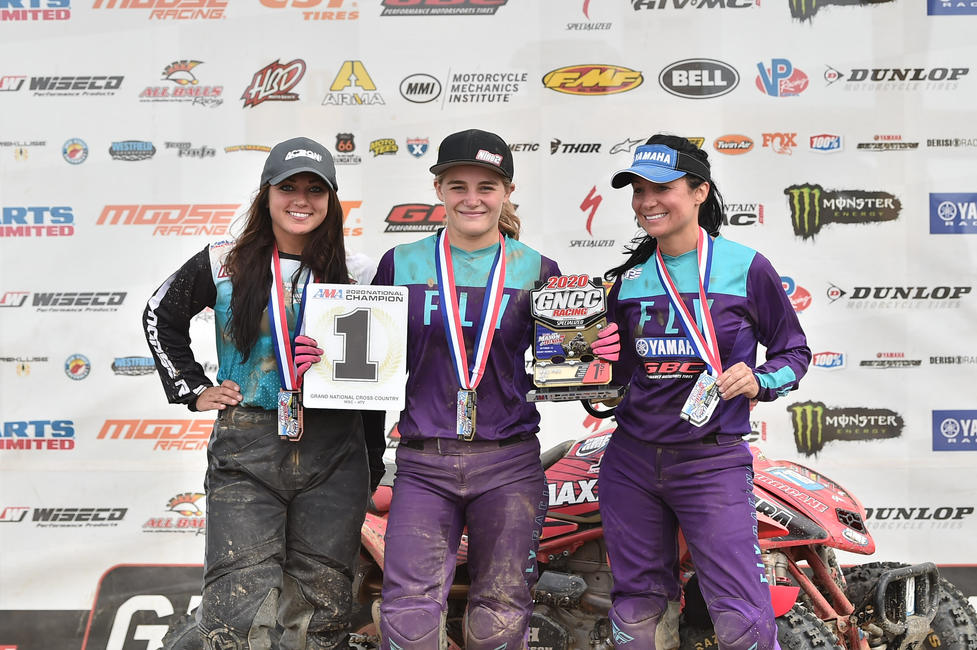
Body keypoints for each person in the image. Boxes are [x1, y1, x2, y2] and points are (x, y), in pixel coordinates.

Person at [371, 129, 619, 649]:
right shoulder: (400, 263)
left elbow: (571, 374)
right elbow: (369, 361)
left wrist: (598, 359)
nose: (471, 197)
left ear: (506, 191)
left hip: (508, 464)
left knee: (502, 612)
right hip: (424, 460)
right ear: (438, 189)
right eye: (457, 184)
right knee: (409, 611)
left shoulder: (538, 271)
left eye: (486, 185)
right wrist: (320, 356)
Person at [142, 136, 386, 650]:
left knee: (321, 612)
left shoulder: (358, 271)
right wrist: (193, 389)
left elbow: (379, 375)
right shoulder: (222, 261)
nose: (301, 200)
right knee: (237, 609)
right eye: (288, 187)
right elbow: (159, 313)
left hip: (336, 450)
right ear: (266, 194)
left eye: (315, 190)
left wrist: (373, 455)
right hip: (248, 443)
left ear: (332, 200)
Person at [598, 134, 811, 649]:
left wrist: (761, 380)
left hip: (710, 461)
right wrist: (596, 372)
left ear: (699, 192)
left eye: (662, 188)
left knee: (739, 609)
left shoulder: (746, 266)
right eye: (638, 190)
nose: (647, 202)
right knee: (638, 607)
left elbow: (794, 352)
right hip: (630, 461)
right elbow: (613, 381)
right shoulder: (625, 281)